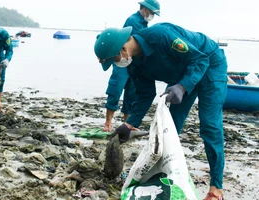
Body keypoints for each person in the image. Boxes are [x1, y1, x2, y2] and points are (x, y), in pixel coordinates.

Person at [94, 23, 227, 200]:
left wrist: (182, 86)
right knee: (169, 128)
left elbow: (200, 59)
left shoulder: (161, 36)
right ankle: (167, 175)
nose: (116, 64)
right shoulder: (133, 64)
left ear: (123, 49)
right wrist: (129, 124)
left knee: (210, 125)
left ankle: (216, 188)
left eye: (114, 60)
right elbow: (145, 95)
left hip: (210, 63)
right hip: (184, 75)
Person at [102, 0, 160, 132]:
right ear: (144, 9)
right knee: (116, 88)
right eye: (152, 12)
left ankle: (128, 123)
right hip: (123, 59)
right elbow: (142, 40)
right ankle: (108, 123)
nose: (152, 16)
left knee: (132, 92)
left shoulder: (145, 24)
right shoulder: (133, 20)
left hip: (134, 63)